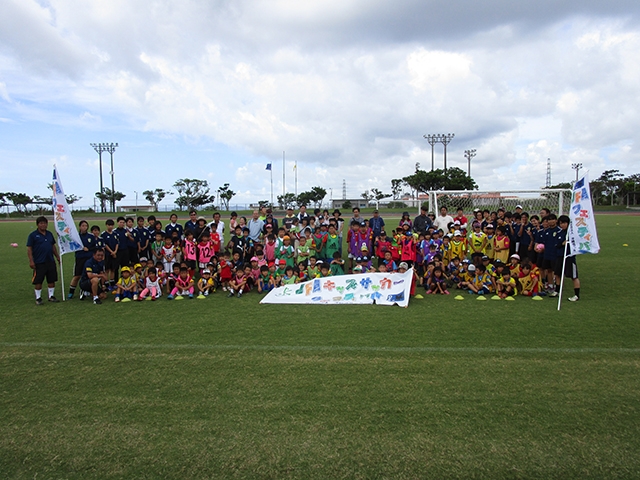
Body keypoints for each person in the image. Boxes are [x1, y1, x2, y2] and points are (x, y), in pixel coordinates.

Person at [26, 216, 61, 305]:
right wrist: (31, 261)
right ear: (37, 225)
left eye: (45, 223)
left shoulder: (49, 234)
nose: (43, 225)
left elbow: (52, 246)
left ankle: (51, 296)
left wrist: (57, 256)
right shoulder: (33, 235)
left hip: (50, 260)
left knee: (51, 279)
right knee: (39, 280)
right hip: (39, 261)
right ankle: (38, 298)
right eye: (41, 223)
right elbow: (29, 249)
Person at [68, 220, 97, 300]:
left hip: (89, 259)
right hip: (80, 258)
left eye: (86, 226)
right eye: (83, 226)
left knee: (89, 275)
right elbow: (72, 245)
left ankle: (87, 291)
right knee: (77, 275)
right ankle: (71, 292)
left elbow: (95, 247)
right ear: (80, 227)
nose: (84, 227)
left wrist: (89, 249)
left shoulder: (91, 236)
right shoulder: (76, 236)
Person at [555, 215, 581, 302]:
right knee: (557, 274)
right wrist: (562, 244)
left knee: (573, 276)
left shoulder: (572, 234)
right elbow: (556, 245)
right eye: (561, 223)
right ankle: (557, 291)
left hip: (569, 257)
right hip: (560, 256)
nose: (562, 225)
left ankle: (576, 295)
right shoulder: (559, 233)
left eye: (564, 223)